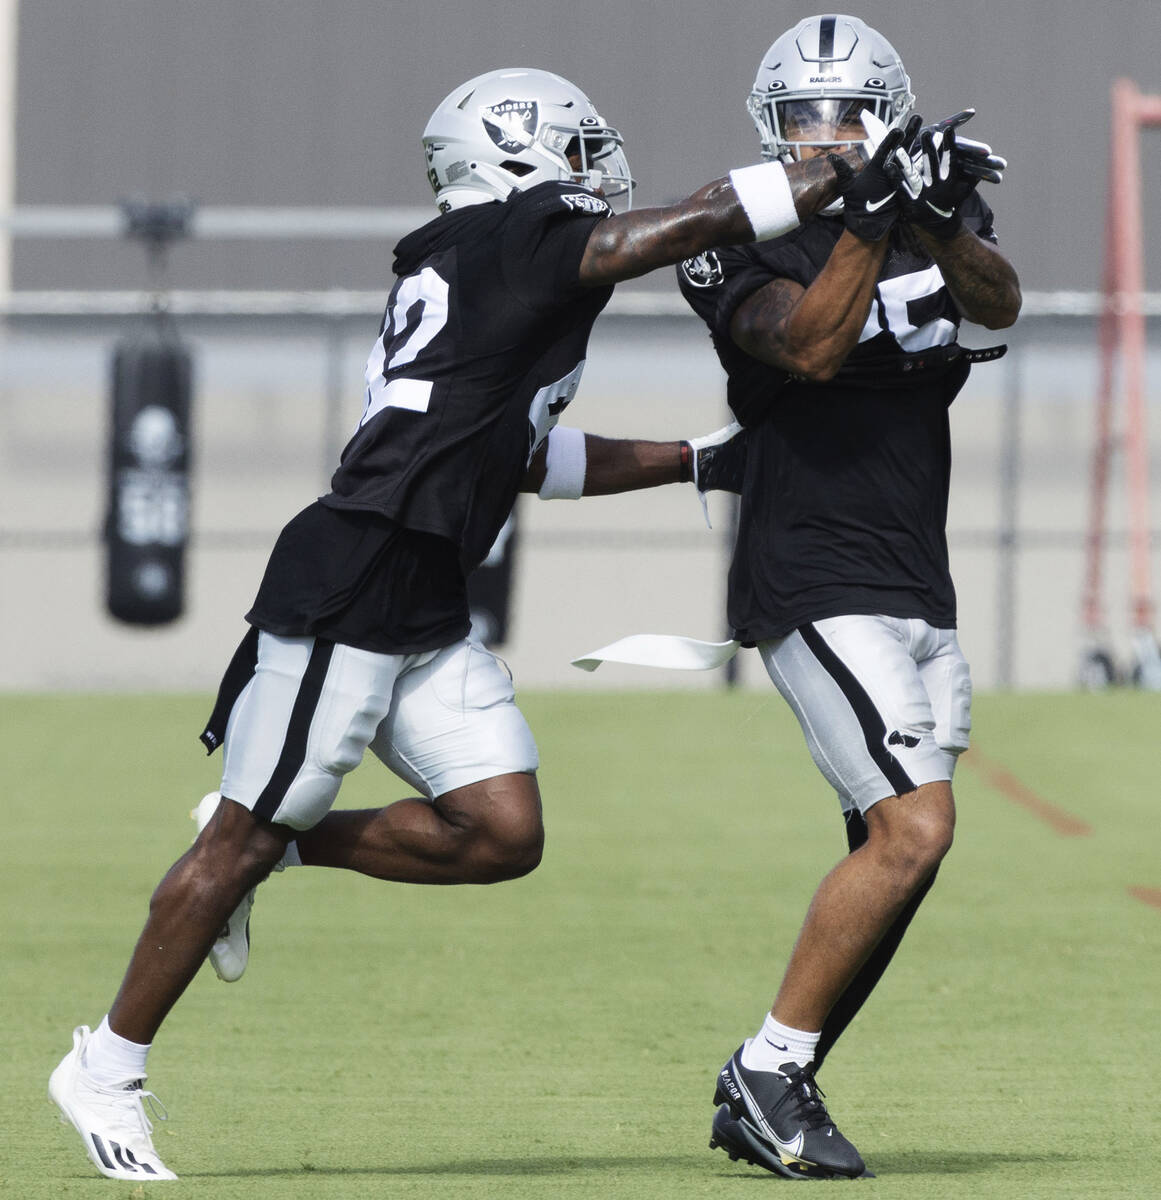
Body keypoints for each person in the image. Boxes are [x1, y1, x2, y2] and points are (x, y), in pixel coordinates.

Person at [48, 65, 889, 1182]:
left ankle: (278, 846)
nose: (597, 176)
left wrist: (703, 458)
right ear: (517, 155)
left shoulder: (488, 266)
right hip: (353, 581)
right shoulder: (514, 233)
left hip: (426, 592)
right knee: (232, 839)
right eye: (577, 152)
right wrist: (837, 174)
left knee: (499, 832)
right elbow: (687, 223)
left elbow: (528, 456)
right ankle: (106, 1065)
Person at [671, 14, 1022, 1181]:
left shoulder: (919, 202)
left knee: (896, 854)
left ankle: (781, 1076)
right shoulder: (735, 233)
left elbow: (1000, 299)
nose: (825, 138)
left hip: (917, 573)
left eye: (848, 115)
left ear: (889, 112)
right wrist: (871, 214)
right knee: (917, 828)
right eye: (803, 121)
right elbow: (810, 347)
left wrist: (923, 209)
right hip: (808, 565)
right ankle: (767, 1071)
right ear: (770, 130)